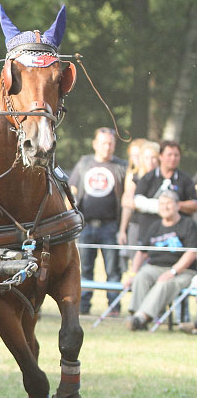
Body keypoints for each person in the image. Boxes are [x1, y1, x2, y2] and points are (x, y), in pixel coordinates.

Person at [69, 128, 127, 315]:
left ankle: (114, 308)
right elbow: (72, 190)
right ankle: (83, 307)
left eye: (110, 143)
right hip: (86, 226)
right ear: (95, 144)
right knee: (85, 268)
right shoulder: (84, 163)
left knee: (113, 269)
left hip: (111, 226)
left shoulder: (121, 166)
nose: (107, 147)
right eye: (103, 143)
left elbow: (127, 196)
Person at [125, 190, 197, 330]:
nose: (165, 207)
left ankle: (140, 318)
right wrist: (133, 274)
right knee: (141, 276)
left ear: (177, 206)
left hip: (184, 271)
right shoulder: (155, 226)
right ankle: (135, 315)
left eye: (168, 204)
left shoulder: (188, 224)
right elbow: (142, 252)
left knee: (165, 283)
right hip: (155, 267)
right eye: (161, 204)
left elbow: (192, 253)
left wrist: (173, 271)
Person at [128, 141, 197, 236]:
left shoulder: (186, 179)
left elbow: (194, 204)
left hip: (178, 235)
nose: (173, 158)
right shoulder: (147, 178)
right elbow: (136, 201)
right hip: (149, 233)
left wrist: (176, 205)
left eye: (176, 155)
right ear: (160, 156)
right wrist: (159, 206)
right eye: (169, 155)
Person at [119, 140, 160, 263]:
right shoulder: (136, 177)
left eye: (154, 157)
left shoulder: (165, 177)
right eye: (146, 157)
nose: (150, 161)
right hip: (137, 226)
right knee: (136, 264)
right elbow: (126, 202)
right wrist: (122, 230)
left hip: (159, 227)